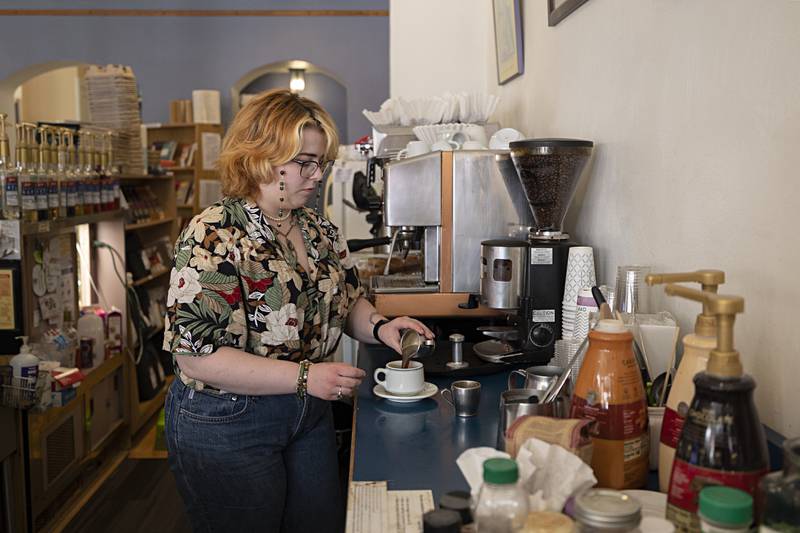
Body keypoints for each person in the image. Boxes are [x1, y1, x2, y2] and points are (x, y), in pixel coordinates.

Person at [162, 89, 433, 533]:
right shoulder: (214, 233)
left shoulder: (316, 226)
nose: (317, 175)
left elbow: (345, 301)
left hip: (305, 412)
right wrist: (308, 377)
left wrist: (382, 327)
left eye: (321, 163)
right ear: (264, 157)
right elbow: (197, 355)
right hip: (226, 421)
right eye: (305, 162)